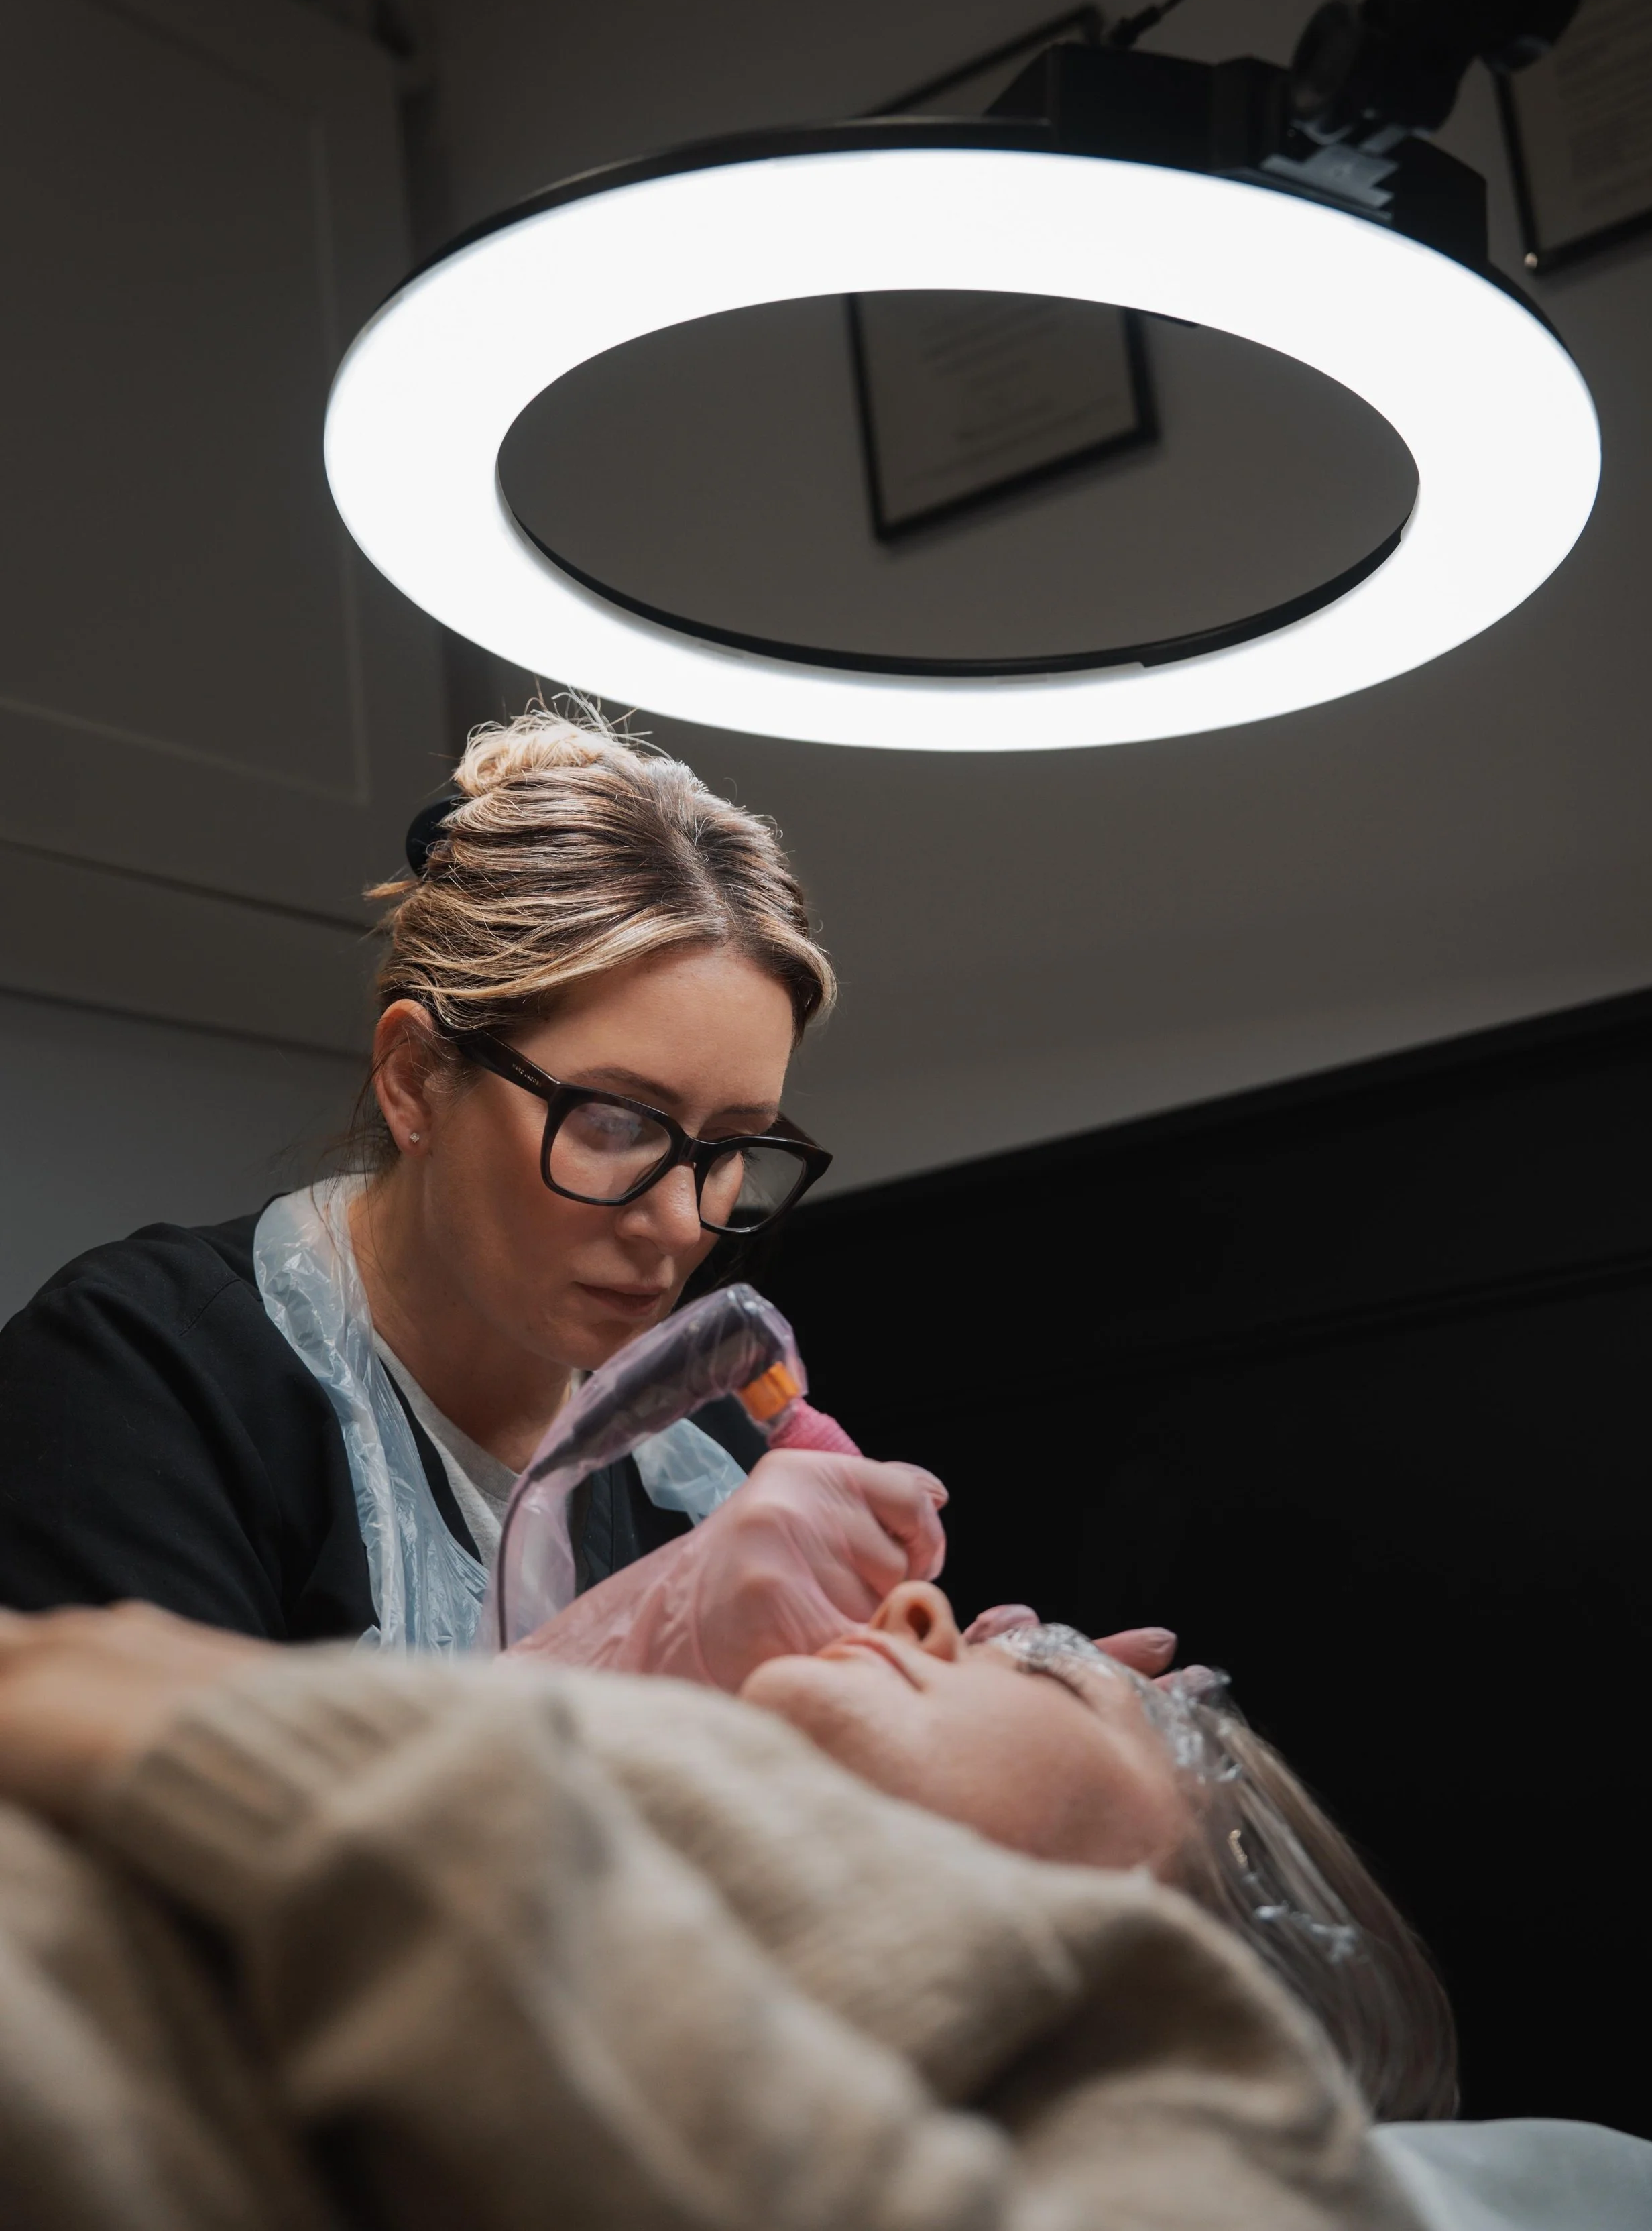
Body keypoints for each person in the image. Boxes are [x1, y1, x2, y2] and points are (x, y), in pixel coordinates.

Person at [0, 1591, 1446, 2231]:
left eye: (1052, 1666)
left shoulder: (1247, 2146)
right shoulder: (601, 1867)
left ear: (1201, 1944)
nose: (922, 1606)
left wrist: (274, 1754)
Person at [0, 710, 946, 1665]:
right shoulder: (141, 1379)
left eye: (732, 1144)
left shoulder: (713, 1455)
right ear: (414, 1078)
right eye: (615, 1122)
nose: (675, 1224)